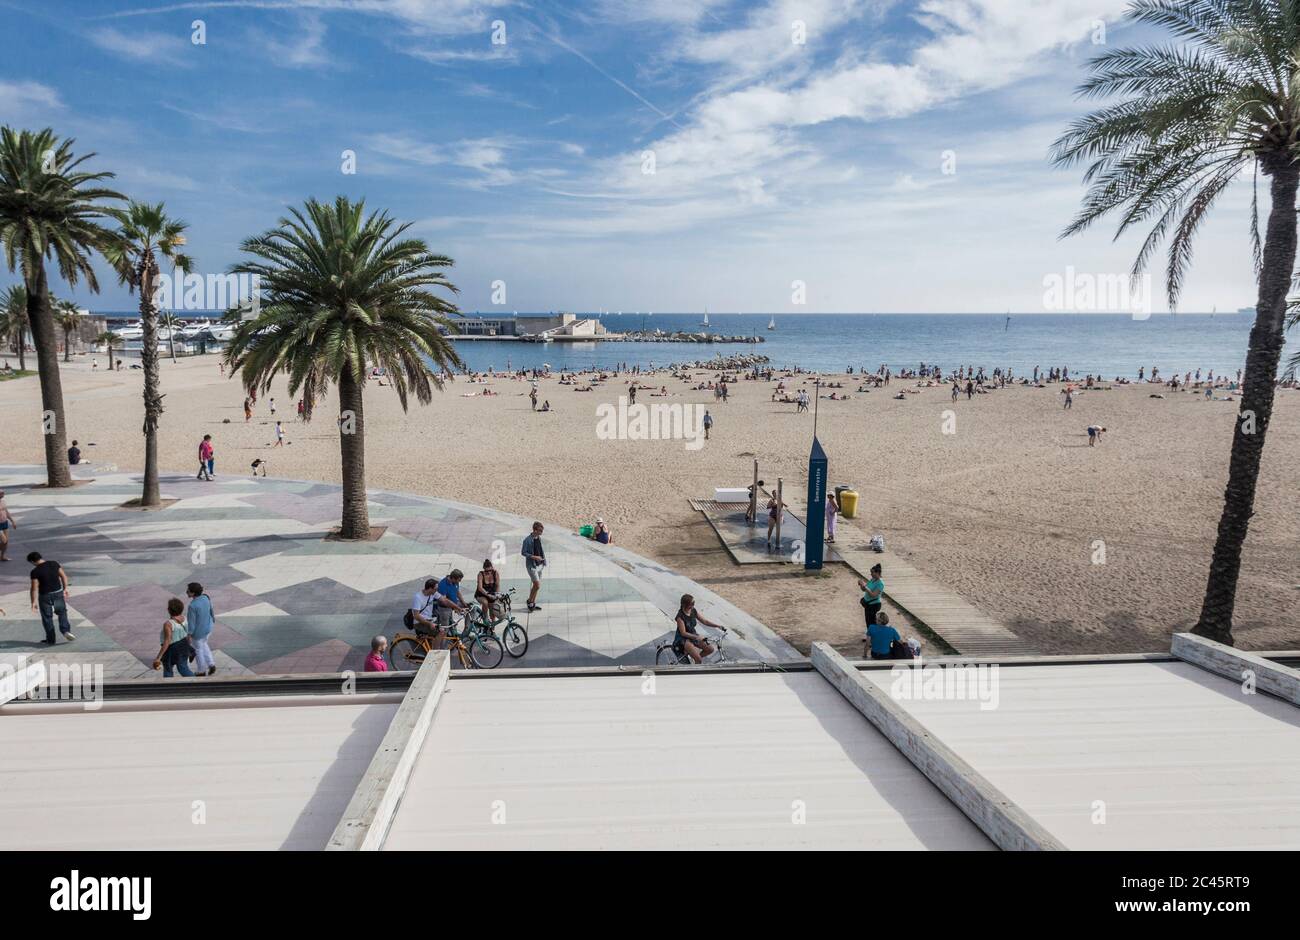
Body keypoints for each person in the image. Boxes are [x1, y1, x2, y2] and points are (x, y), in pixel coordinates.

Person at [28, 551, 75, 645]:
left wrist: (33, 602)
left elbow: (34, 588)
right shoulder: (54, 563)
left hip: (45, 596)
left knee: (47, 617)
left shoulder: (35, 572)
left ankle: (50, 639)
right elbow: (63, 576)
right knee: (62, 613)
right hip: (57, 593)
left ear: (33, 562)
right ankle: (65, 631)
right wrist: (65, 589)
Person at [672, 593, 726, 664]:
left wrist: (718, 626)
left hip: (693, 635)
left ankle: (694, 659)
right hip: (683, 639)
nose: (693, 606)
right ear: (685, 605)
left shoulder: (693, 610)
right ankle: (695, 669)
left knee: (710, 649)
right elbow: (683, 633)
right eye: (691, 604)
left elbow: (705, 621)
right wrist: (696, 637)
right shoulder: (680, 617)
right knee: (699, 660)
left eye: (693, 603)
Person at [153, 597, 193, 677]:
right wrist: (188, 647)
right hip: (183, 646)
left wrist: (159, 657)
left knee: (168, 668)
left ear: (169, 610)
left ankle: (168, 687)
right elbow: (189, 635)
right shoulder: (184, 619)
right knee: (183, 668)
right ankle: (195, 682)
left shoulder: (168, 624)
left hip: (171, 649)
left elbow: (167, 640)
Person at [186, 582, 216, 676]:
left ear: (193, 593)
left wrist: (189, 635)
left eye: (188, 591)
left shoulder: (192, 606)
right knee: (204, 644)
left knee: (198, 650)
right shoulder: (205, 597)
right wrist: (213, 619)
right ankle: (211, 664)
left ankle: (201, 671)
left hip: (198, 633)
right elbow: (211, 609)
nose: (186, 592)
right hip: (208, 628)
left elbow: (191, 623)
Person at [522, 522, 546, 611]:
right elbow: (523, 552)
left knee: (536, 586)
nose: (541, 532)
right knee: (537, 585)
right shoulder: (527, 540)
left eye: (542, 530)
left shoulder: (538, 538)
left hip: (540, 565)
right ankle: (529, 601)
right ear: (534, 530)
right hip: (532, 566)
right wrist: (534, 557)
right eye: (540, 530)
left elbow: (540, 550)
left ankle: (532, 603)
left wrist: (543, 560)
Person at [474, 560, 502, 624]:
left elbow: (497, 585)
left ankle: (492, 628)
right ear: (484, 569)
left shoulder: (495, 573)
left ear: (492, 568)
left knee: (492, 614)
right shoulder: (481, 574)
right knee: (485, 602)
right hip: (481, 594)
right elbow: (480, 588)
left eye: (490, 570)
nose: (489, 572)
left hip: (492, 594)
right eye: (487, 571)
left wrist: (497, 594)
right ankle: (485, 617)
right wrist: (488, 595)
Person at [0, 490, 15, 562]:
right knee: (4, 540)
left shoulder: (3, 501)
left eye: (3, 492)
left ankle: (2, 557)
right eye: (1, 493)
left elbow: (6, 511)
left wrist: (12, 521)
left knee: (6, 542)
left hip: (4, 523)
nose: (3, 493)